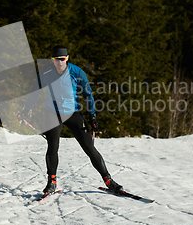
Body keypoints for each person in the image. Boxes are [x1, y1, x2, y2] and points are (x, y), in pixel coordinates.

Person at [17, 45, 123, 194]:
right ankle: (51, 182)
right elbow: (35, 91)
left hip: (72, 113)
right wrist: (26, 110)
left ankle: (108, 180)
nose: (60, 62)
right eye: (56, 59)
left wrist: (92, 115)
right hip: (52, 114)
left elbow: (88, 94)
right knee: (53, 146)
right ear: (52, 60)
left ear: (67, 58)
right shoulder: (46, 72)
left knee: (89, 147)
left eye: (63, 59)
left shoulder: (77, 72)